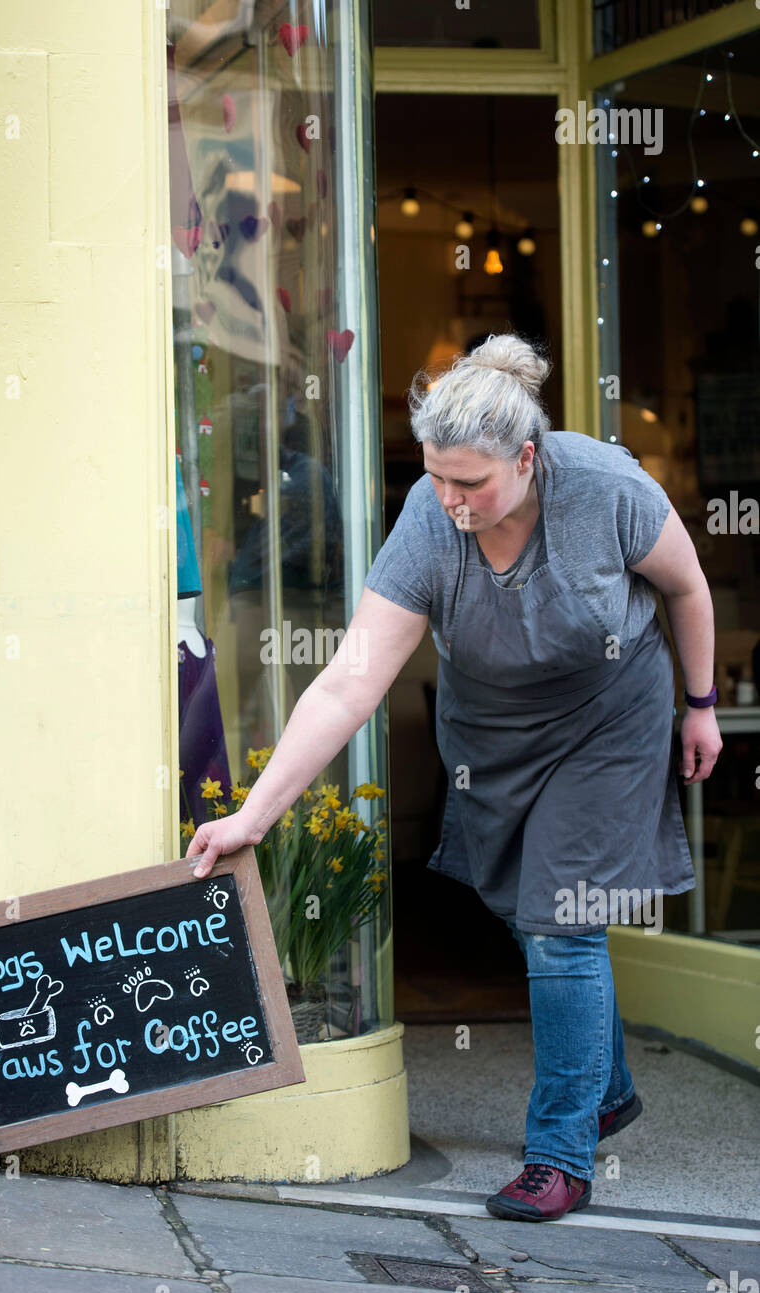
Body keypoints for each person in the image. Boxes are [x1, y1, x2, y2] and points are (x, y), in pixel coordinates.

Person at [185, 332, 722, 1223]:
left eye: (470, 482)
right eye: (436, 476)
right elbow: (351, 678)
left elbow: (690, 587)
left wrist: (700, 704)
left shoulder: (608, 490)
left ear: (527, 455)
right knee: (520, 903)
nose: (450, 499)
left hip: (608, 716)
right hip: (492, 730)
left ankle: (561, 1155)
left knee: (561, 922)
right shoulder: (430, 525)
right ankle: (608, 1086)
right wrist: (254, 813)